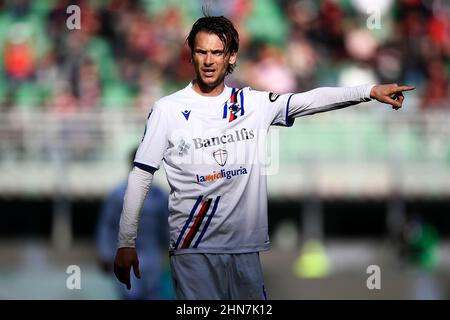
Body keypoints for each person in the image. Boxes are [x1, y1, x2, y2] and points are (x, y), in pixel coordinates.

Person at [114, 15, 415, 300]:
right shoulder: (167, 110)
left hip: (246, 251)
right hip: (194, 249)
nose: (208, 61)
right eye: (201, 52)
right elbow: (141, 175)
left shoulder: (252, 104)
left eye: (217, 52)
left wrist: (369, 90)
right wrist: (126, 242)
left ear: (231, 56)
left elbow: (309, 100)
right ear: (191, 55)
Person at [97, 147, 170, 299]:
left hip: (152, 254)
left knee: (154, 295)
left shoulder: (159, 195)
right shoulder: (118, 194)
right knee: (131, 295)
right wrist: (104, 253)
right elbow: (107, 226)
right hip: (126, 254)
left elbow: (166, 226)